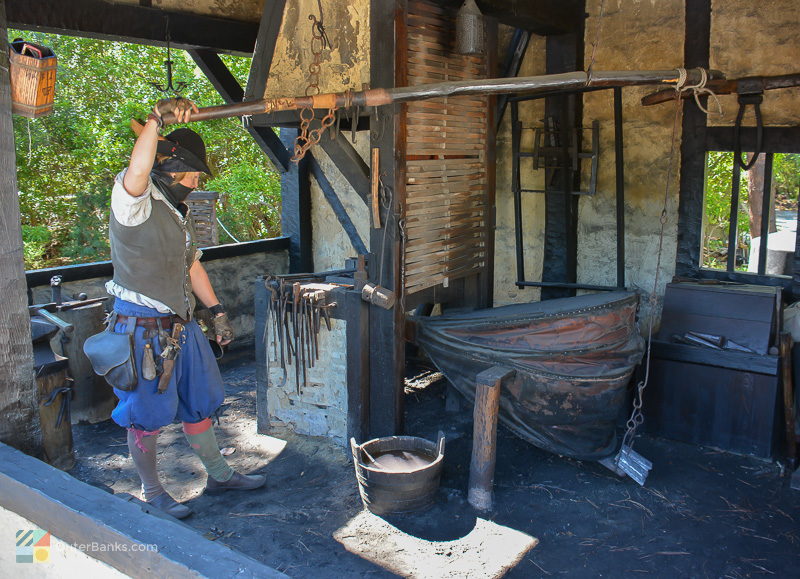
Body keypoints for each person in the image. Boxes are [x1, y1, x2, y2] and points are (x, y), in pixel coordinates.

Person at [105, 98, 265, 519]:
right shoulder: (132, 202)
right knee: (146, 414)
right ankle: (153, 493)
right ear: (165, 164)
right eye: (190, 171)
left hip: (182, 325)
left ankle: (219, 473)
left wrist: (216, 311)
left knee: (200, 401)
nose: (195, 180)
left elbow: (191, 264)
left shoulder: (178, 212)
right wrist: (155, 121)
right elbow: (137, 170)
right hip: (140, 329)